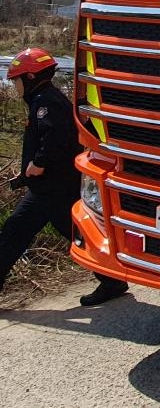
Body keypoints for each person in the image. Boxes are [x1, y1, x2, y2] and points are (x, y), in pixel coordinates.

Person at [0, 48, 129, 306]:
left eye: (16, 80)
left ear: (31, 78)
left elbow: (56, 139)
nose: (14, 86)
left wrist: (38, 164)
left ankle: (113, 278)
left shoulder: (46, 103)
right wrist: (25, 175)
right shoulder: (47, 99)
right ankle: (113, 279)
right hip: (53, 186)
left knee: (15, 232)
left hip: (51, 188)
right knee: (76, 232)